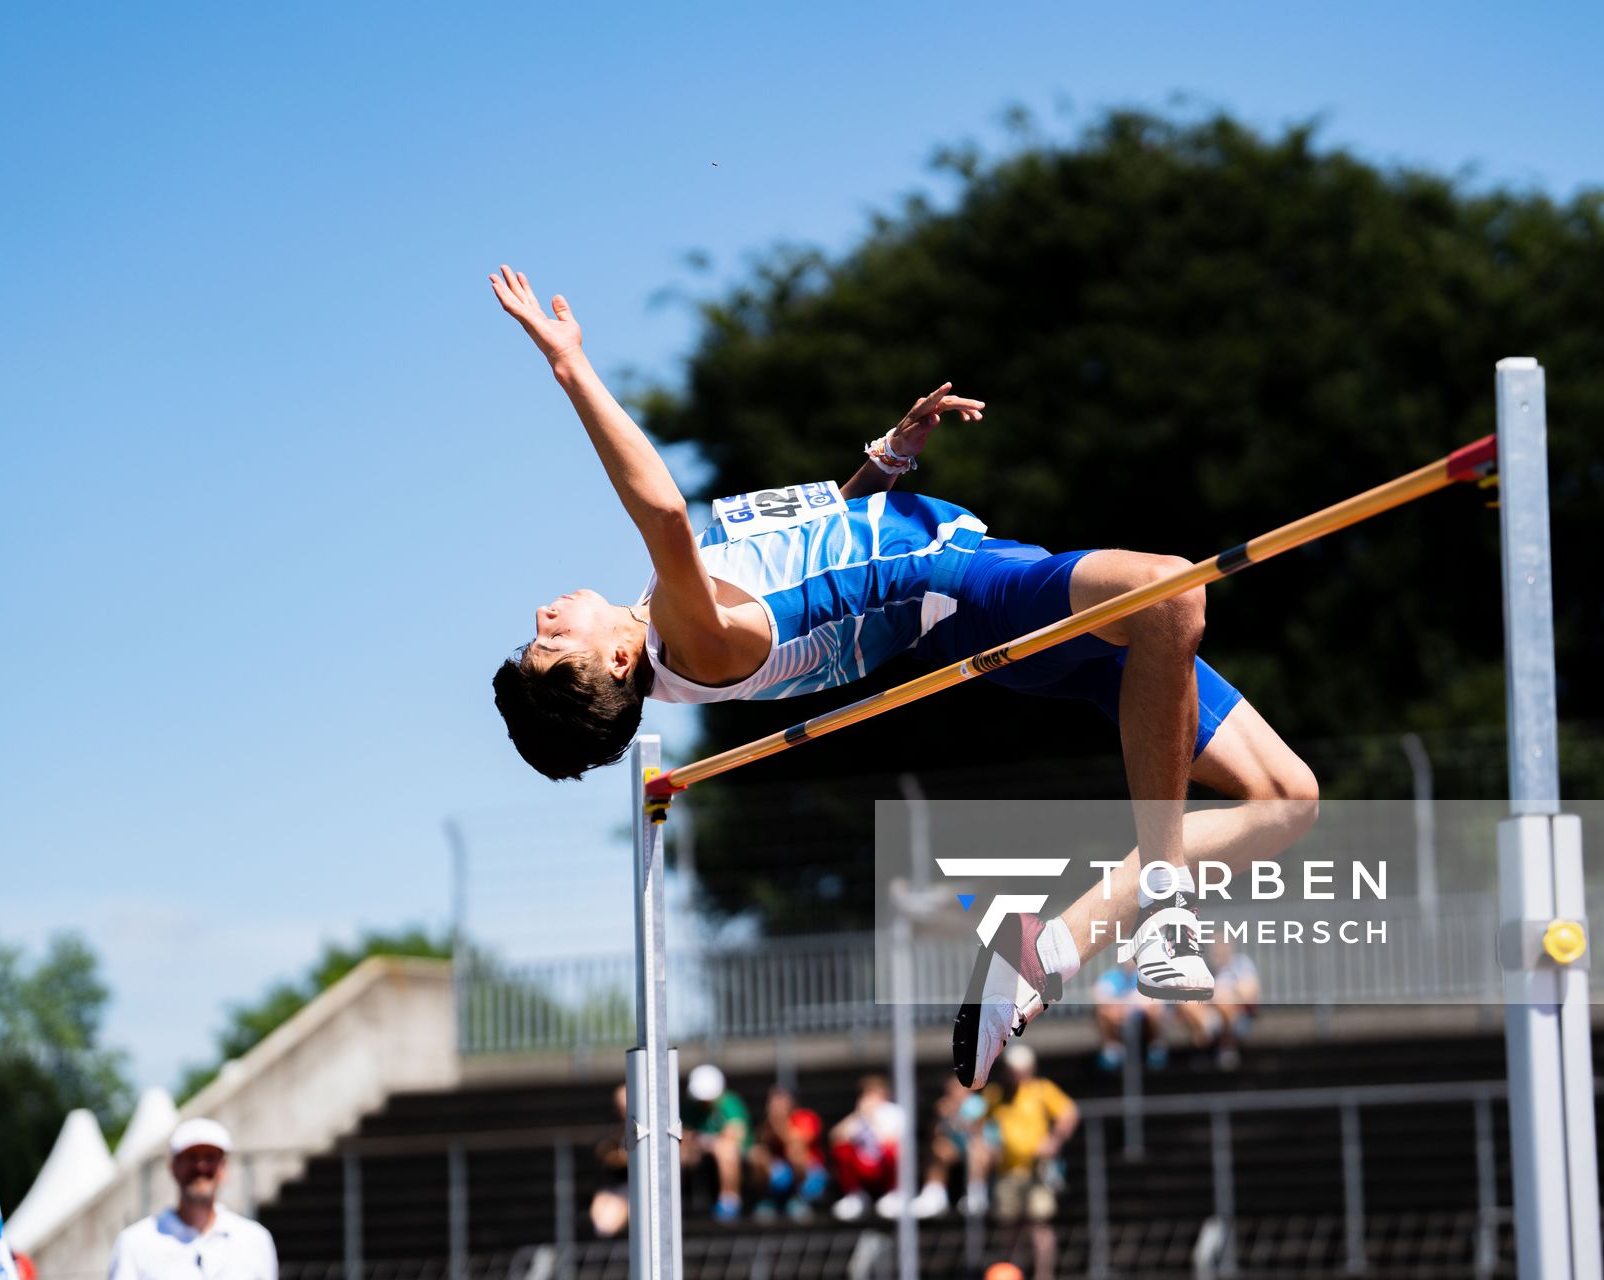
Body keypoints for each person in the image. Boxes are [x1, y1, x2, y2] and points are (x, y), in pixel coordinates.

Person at [484, 269, 1319, 1086]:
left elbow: (819, 564)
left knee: (1286, 799)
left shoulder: (672, 622)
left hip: (975, 576)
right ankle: (1162, 901)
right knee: (1170, 592)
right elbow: (664, 512)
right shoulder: (687, 640)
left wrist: (885, 464)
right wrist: (570, 366)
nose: (542, 621)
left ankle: (1047, 950)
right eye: (551, 647)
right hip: (969, 594)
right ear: (617, 663)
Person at [107, 1119, 277, 1280]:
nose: (201, 1166)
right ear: (173, 1167)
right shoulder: (134, 1243)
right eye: (192, 1157)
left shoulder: (255, 1239)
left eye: (210, 1157)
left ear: (224, 1167)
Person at [981, 1046, 1075, 1280]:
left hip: (1037, 1170)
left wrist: (1054, 1140)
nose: (1017, 1075)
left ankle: (1044, 1275)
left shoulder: (1042, 1090)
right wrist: (988, 1147)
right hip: (1007, 1171)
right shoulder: (995, 1094)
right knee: (1009, 1227)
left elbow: (1069, 1113)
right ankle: (1012, 1273)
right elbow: (977, 1123)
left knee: (1039, 1224)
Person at [909, 1074, 990, 1218]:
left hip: (978, 1147)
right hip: (955, 1149)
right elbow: (935, 1134)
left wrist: (956, 1114)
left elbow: (978, 1132)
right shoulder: (943, 1105)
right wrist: (940, 1117)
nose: (954, 1092)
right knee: (938, 1147)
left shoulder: (977, 1104)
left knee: (976, 1150)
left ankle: (976, 1193)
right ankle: (934, 1192)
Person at [827, 1075, 907, 1221]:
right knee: (842, 1149)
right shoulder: (860, 1116)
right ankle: (856, 1195)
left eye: (873, 1093)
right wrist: (858, 1115)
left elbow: (890, 1141)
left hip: (885, 1166)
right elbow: (835, 1137)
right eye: (866, 1093)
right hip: (864, 1166)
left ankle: (894, 1193)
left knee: (893, 1150)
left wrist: (873, 1120)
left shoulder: (894, 1112)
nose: (869, 1097)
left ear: (884, 1094)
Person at [679, 1064, 750, 1222]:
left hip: (728, 1153)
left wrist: (707, 1141)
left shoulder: (730, 1103)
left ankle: (729, 1200)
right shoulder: (691, 1107)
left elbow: (736, 1134)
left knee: (726, 1150)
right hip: (699, 1152)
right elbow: (684, 1134)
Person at [1176, 938, 1260, 1070]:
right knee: (1186, 1003)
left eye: (1222, 946)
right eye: (1215, 948)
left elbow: (1249, 993)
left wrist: (1224, 992)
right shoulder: (1206, 968)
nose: (1219, 951)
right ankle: (1205, 1040)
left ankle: (1223, 1045)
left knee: (1223, 998)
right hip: (1210, 1015)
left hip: (1238, 1018)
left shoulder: (1241, 964)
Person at [746, 1084, 828, 1222]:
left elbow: (799, 1142)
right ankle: (767, 1199)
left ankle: (798, 1198)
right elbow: (760, 1144)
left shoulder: (806, 1118)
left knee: (795, 1150)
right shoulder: (766, 1124)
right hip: (780, 1174)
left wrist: (779, 1124)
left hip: (809, 1175)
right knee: (757, 1154)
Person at [1092, 958, 1170, 1073]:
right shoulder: (1111, 977)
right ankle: (1112, 1045)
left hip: (1143, 1019)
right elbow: (1099, 997)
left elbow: (1157, 1000)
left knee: (1154, 1009)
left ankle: (1155, 1044)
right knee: (1103, 1011)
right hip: (1118, 1018)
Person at [588, 1084, 630, 1237]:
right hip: (615, 1184)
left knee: (609, 1220)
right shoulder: (612, 1127)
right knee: (599, 1215)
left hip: (636, 1186)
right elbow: (606, 1153)